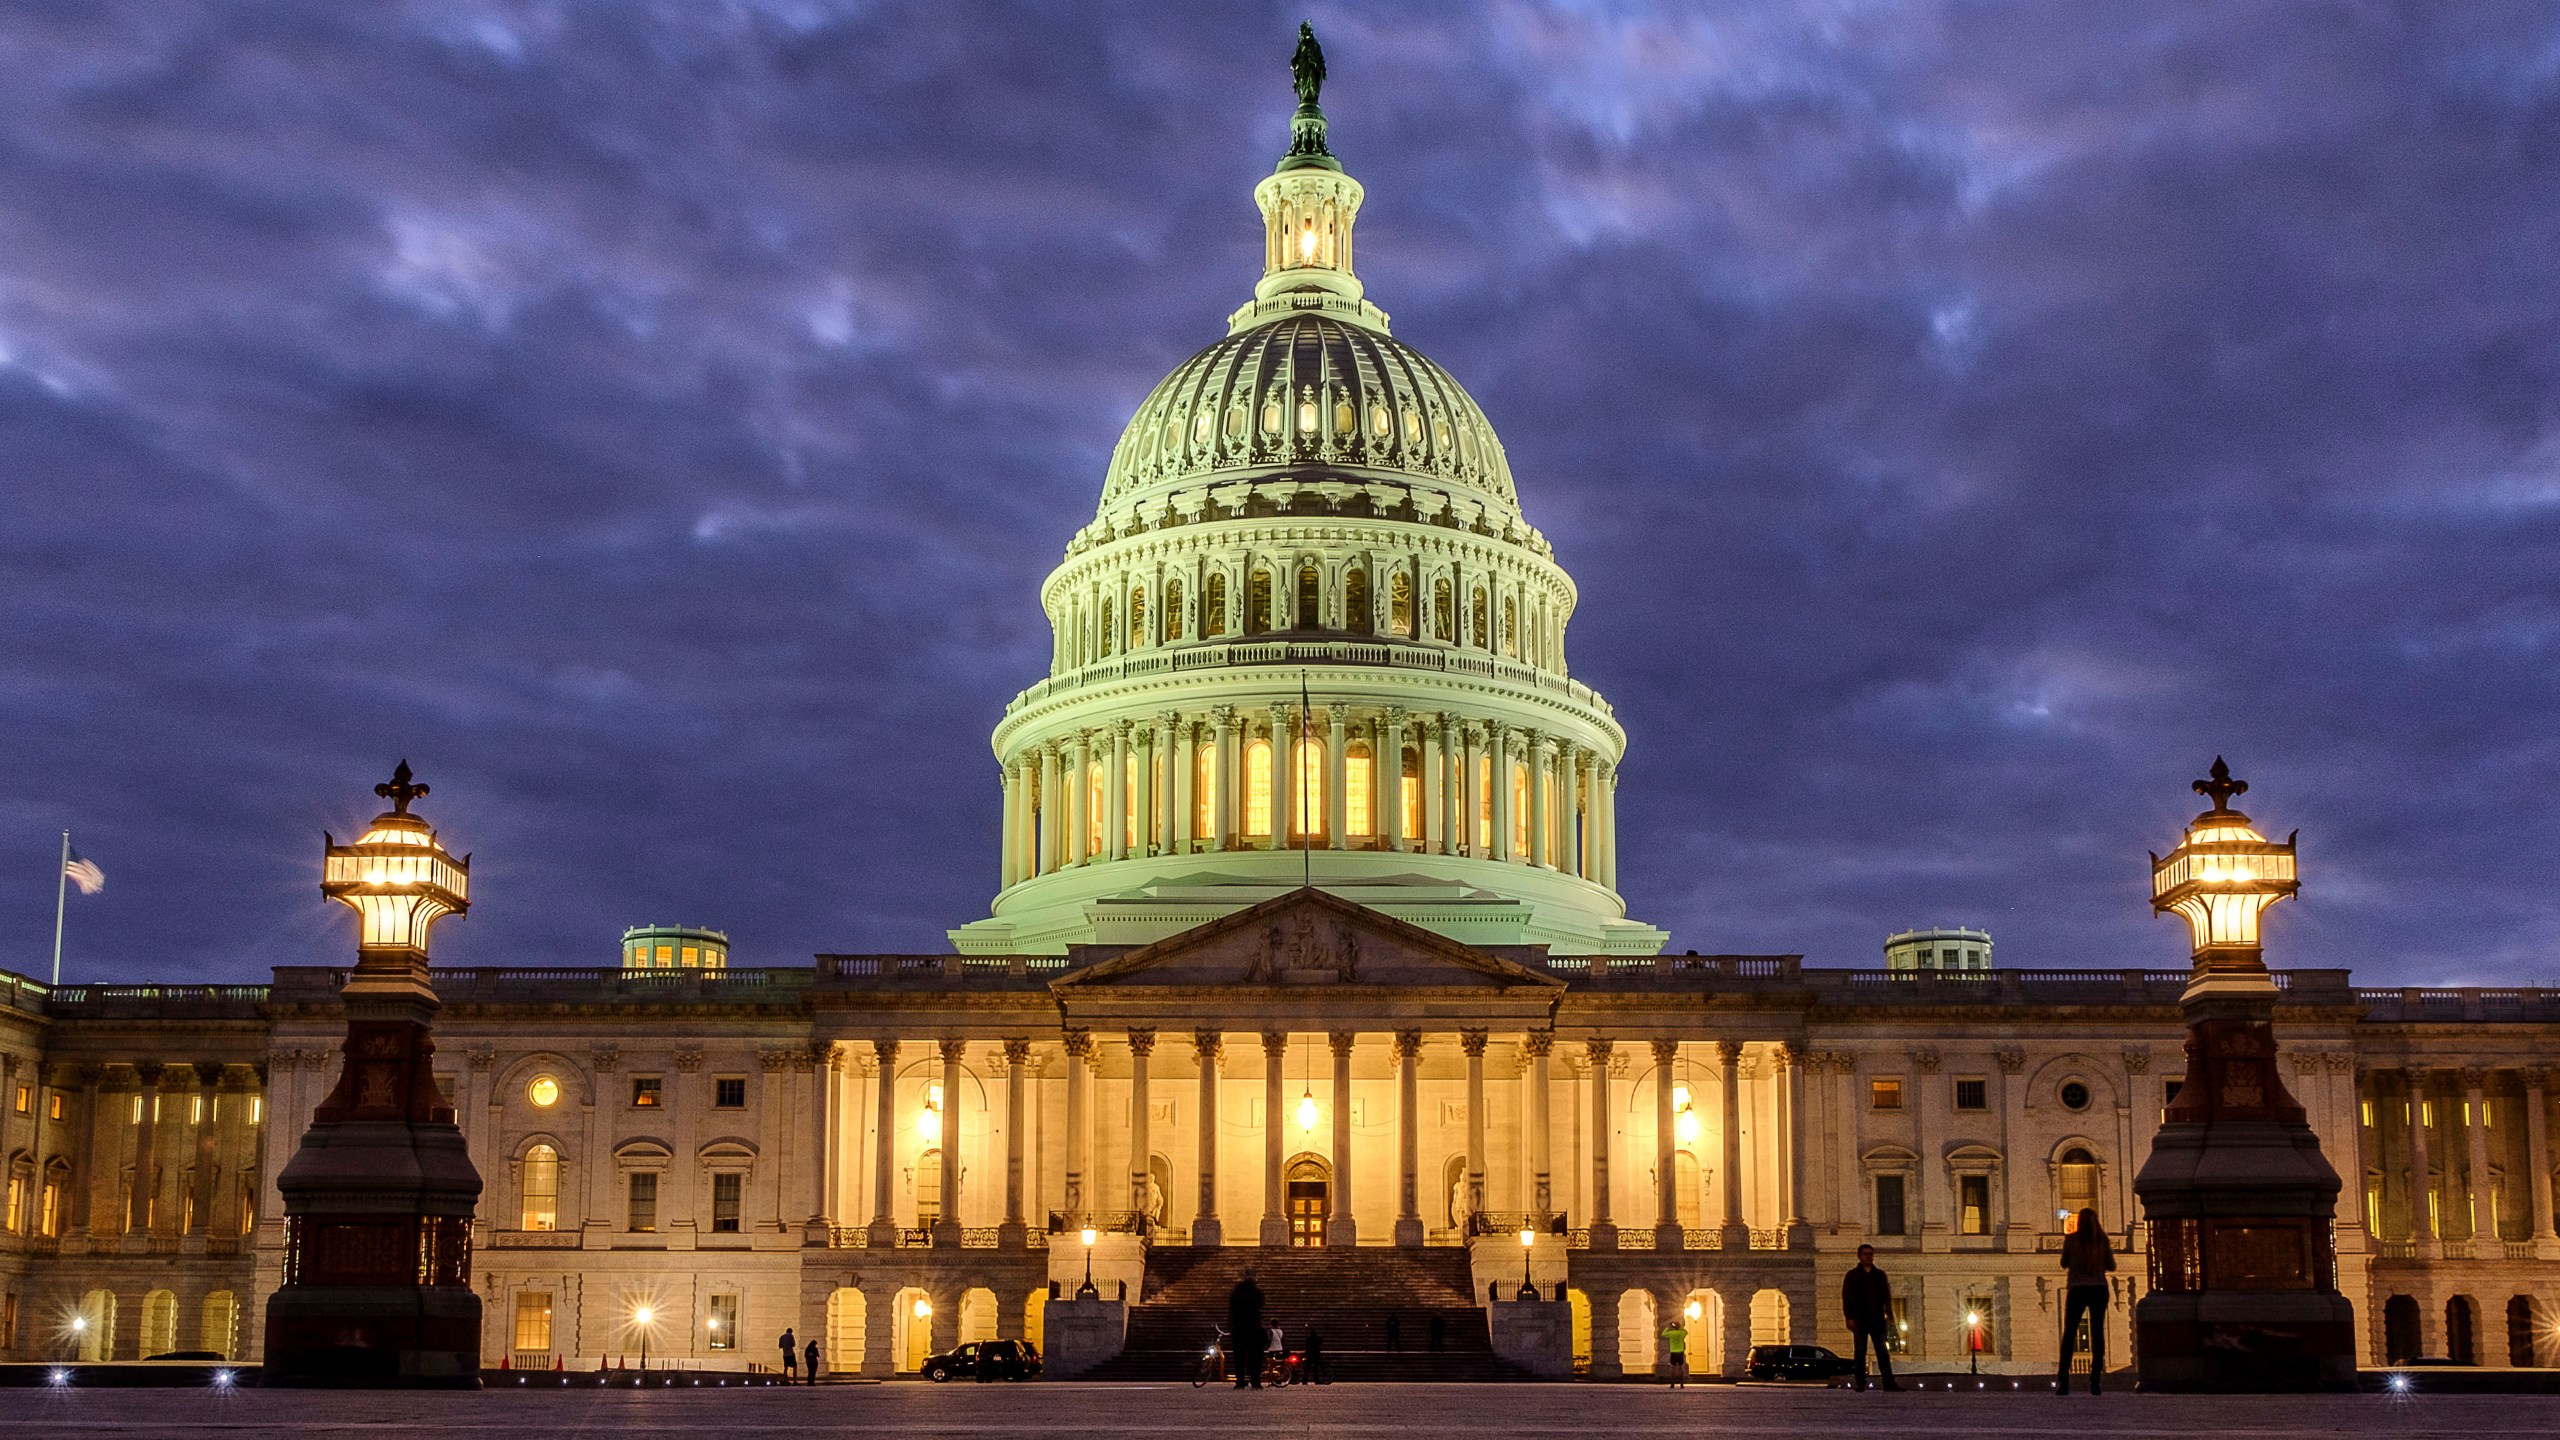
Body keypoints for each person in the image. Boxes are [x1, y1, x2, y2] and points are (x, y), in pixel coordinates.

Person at [2056, 1208, 2117, 1396]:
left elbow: (2064, 1263)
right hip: (2098, 1288)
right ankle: (2095, 1381)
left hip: (2077, 1289)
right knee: (2097, 1334)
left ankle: (2063, 1381)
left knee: (2069, 1334)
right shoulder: (2102, 1240)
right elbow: (2111, 1265)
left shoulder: (2072, 1239)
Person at [1841, 1245, 1899, 1391]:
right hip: (1860, 1319)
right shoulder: (1852, 1275)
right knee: (1860, 1352)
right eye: (1866, 1254)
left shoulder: (1879, 1275)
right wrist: (1849, 1317)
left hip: (1877, 1319)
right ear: (1859, 1256)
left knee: (1882, 1353)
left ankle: (1889, 1382)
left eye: (1870, 1254)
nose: (1869, 1257)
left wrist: (1889, 1318)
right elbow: (1847, 1298)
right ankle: (1860, 1382)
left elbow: (1886, 1298)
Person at [1228, 1270, 1266, 1389]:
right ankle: (1255, 1381)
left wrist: (1230, 1325)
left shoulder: (1236, 1292)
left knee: (1239, 1358)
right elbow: (1261, 1304)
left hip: (1239, 1328)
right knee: (1255, 1357)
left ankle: (1240, 1382)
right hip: (1254, 1327)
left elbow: (1231, 1310)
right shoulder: (1257, 1292)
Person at [1659, 1314, 1689, 1388]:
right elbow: (1686, 1332)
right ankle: (1682, 1384)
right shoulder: (1681, 1333)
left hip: (1673, 1352)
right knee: (1681, 1369)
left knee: (1673, 1369)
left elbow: (1663, 1334)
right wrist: (1680, 1326)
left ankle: (1672, 1384)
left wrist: (1668, 1327)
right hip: (1680, 1352)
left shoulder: (1671, 1333)